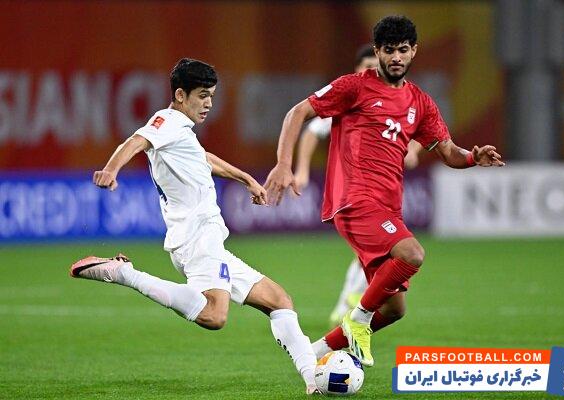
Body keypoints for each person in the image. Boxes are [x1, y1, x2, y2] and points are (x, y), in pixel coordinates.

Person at [265, 16, 504, 367]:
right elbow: (298, 112)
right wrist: (284, 164)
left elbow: (448, 151)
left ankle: (311, 356)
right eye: (389, 50)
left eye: (402, 50)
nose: (396, 57)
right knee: (412, 254)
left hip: (388, 208)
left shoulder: (420, 102)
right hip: (354, 199)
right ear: (377, 51)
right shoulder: (354, 86)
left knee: (393, 309)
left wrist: (472, 157)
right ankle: (358, 321)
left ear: (414, 51)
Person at [69, 58, 319, 394]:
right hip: (197, 237)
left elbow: (203, 159)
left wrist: (246, 179)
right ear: (180, 94)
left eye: (212, 96)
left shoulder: (181, 132)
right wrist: (111, 169)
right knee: (215, 315)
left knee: (278, 300)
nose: (209, 103)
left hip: (205, 238)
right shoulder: (167, 121)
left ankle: (314, 378)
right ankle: (125, 274)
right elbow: (136, 140)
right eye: (202, 95)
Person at [293, 44, 423, 327]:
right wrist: (301, 171)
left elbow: (419, 130)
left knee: (378, 255)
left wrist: (413, 150)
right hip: (354, 195)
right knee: (386, 252)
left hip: (387, 194)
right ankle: (353, 304)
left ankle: (348, 308)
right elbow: (311, 131)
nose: (373, 72)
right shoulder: (351, 97)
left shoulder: (404, 101)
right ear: (357, 70)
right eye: (366, 67)